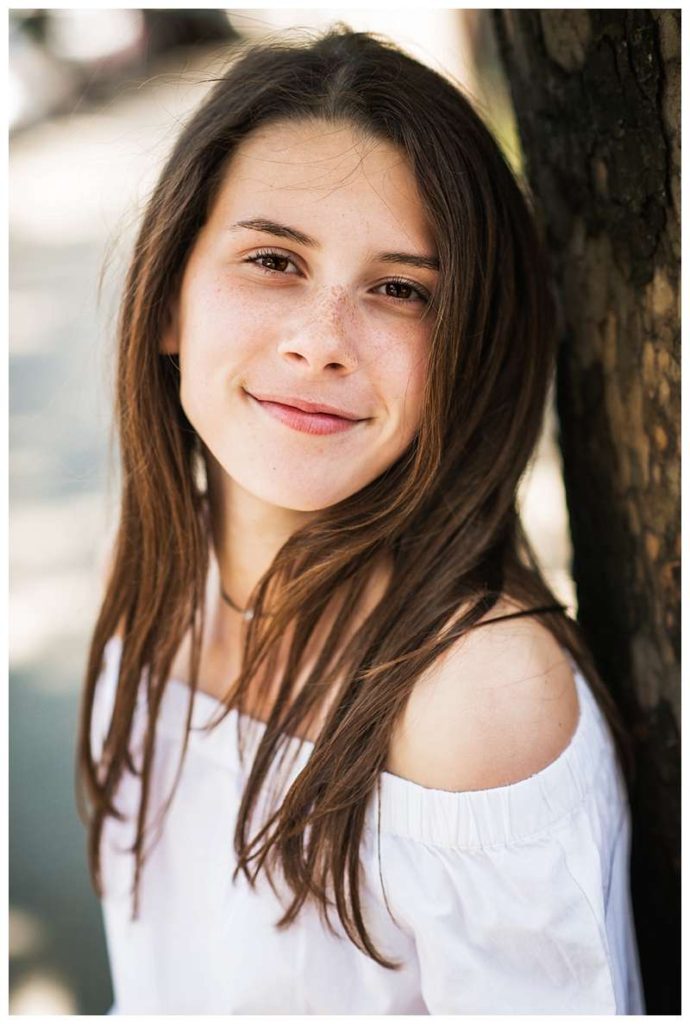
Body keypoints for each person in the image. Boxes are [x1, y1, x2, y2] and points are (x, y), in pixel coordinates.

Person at [77, 27, 644, 1014]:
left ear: (468, 347)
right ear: (169, 300)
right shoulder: (154, 563)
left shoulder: (469, 695)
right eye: (273, 261)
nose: (321, 342)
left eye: (399, 290)